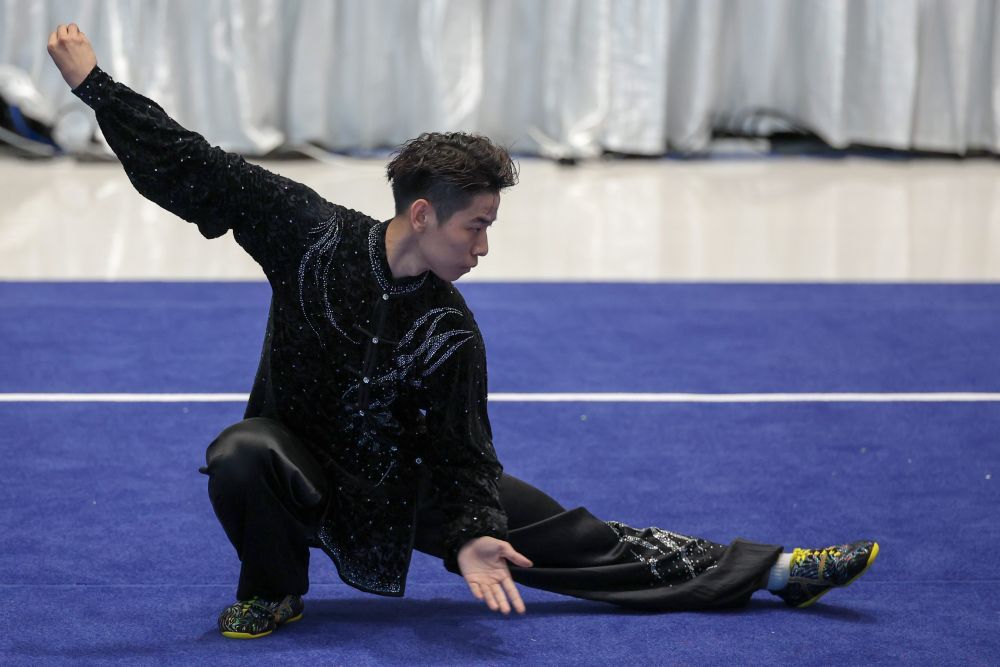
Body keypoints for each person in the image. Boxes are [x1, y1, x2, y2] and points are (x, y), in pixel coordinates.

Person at [47, 23, 879, 640]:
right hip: (295, 467)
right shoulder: (308, 232)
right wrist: (94, 87)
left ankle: (773, 568)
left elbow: (468, 455)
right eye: (475, 226)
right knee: (238, 452)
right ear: (422, 213)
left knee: (581, 538)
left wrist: (476, 531)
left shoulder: (452, 330)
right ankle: (273, 586)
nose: (484, 246)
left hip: (406, 483)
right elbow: (196, 165)